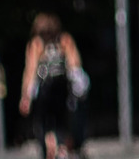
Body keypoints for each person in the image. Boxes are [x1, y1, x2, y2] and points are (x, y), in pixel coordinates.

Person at [18, 13, 88, 159]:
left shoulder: (37, 44)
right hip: (61, 89)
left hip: (48, 91)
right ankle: (60, 148)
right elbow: (74, 64)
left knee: (46, 125)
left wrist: (26, 96)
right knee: (61, 123)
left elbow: (30, 71)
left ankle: (52, 148)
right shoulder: (64, 41)